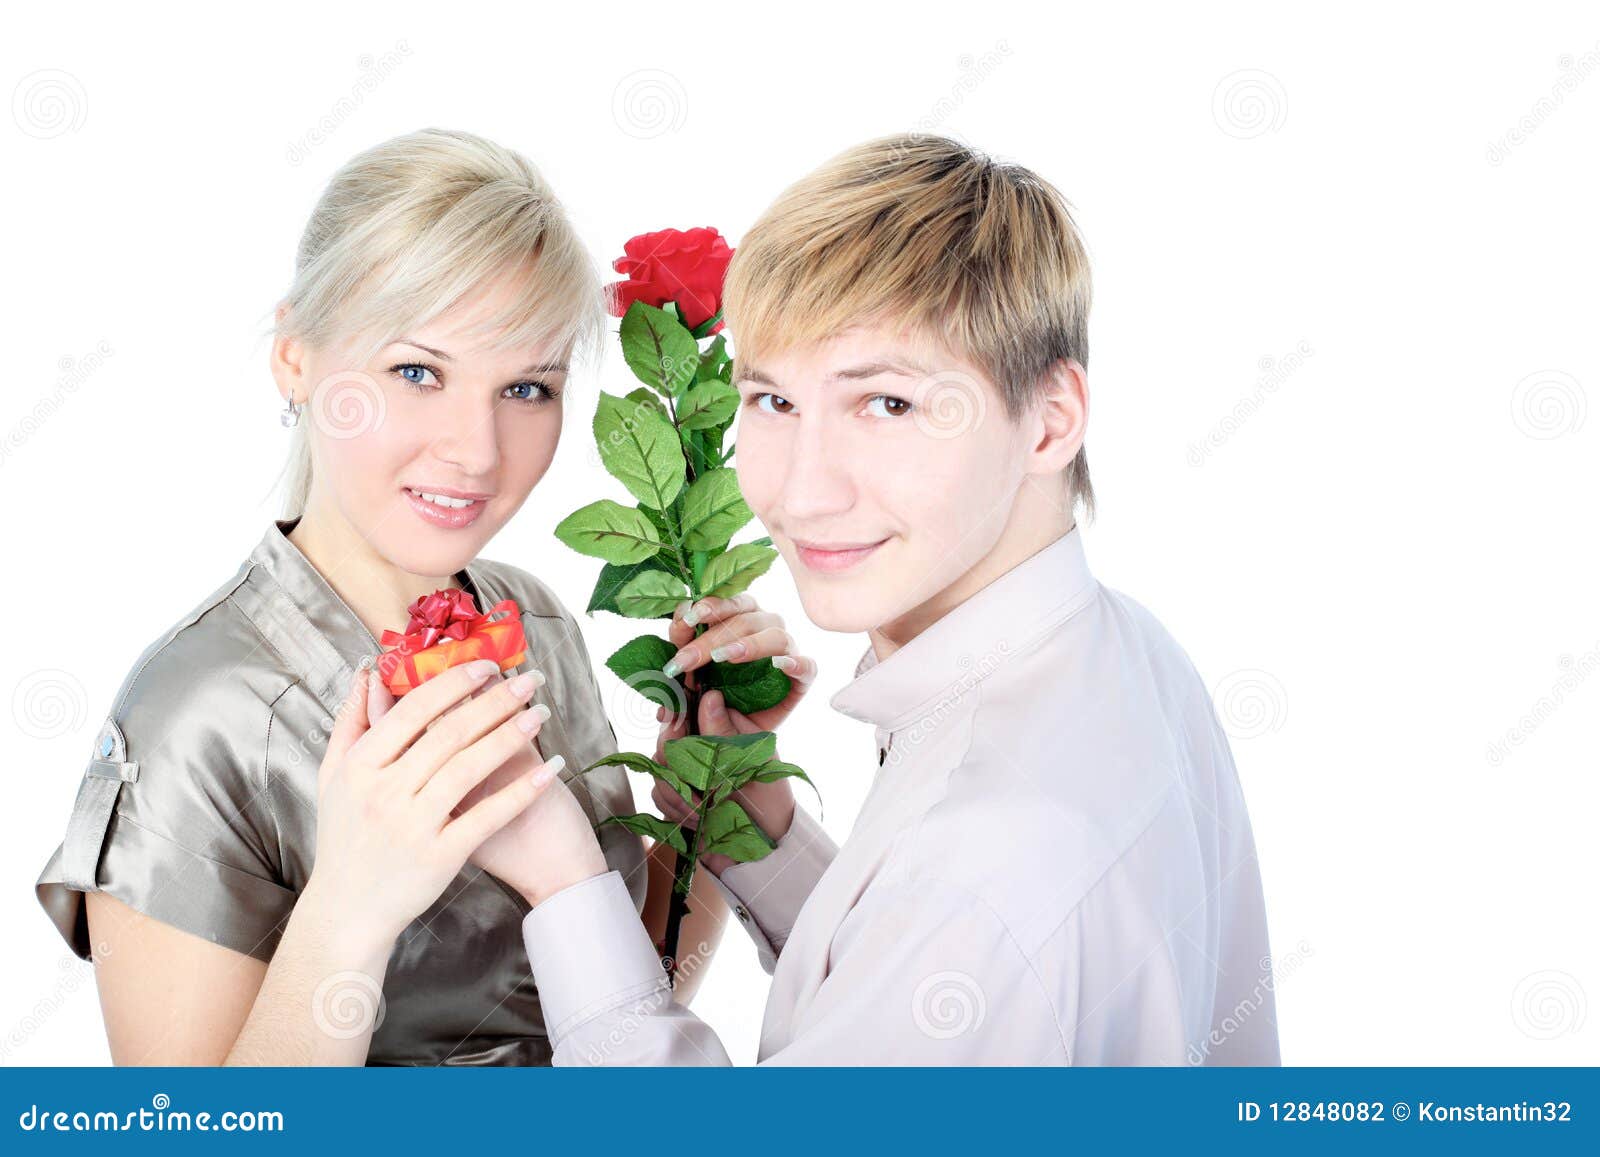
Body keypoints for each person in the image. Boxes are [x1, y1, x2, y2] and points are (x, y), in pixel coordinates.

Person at [34, 128, 810, 1065]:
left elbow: (628, 997)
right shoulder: (197, 718)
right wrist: (351, 906)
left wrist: (702, 796)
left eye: (527, 386)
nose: (477, 451)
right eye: (417, 372)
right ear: (296, 358)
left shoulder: (541, 624)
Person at [501, 134, 1281, 1064]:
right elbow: (919, 1002)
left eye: (888, 405)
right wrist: (762, 826)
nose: (801, 492)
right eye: (773, 401)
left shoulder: (994, 859)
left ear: (1050, 418)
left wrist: (563, 881)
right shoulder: (1129, 653)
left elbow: (967, 934)